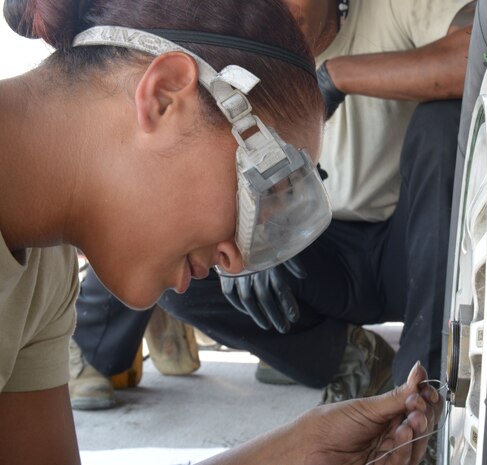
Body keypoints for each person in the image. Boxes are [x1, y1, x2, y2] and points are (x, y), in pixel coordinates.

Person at [0, 0, 443, 464]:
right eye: (260, 187)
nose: (237, 262)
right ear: (165, 95)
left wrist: (294, 452)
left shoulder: (42, 273)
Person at [69, 0, 474, 408]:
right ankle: (353, 362)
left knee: (443, 123)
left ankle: (423, 396)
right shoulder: (243, 38)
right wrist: (248, 232)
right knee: (181, 263)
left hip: (417, 249)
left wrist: (334, 77)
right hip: (314, 249)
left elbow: (484, 53)